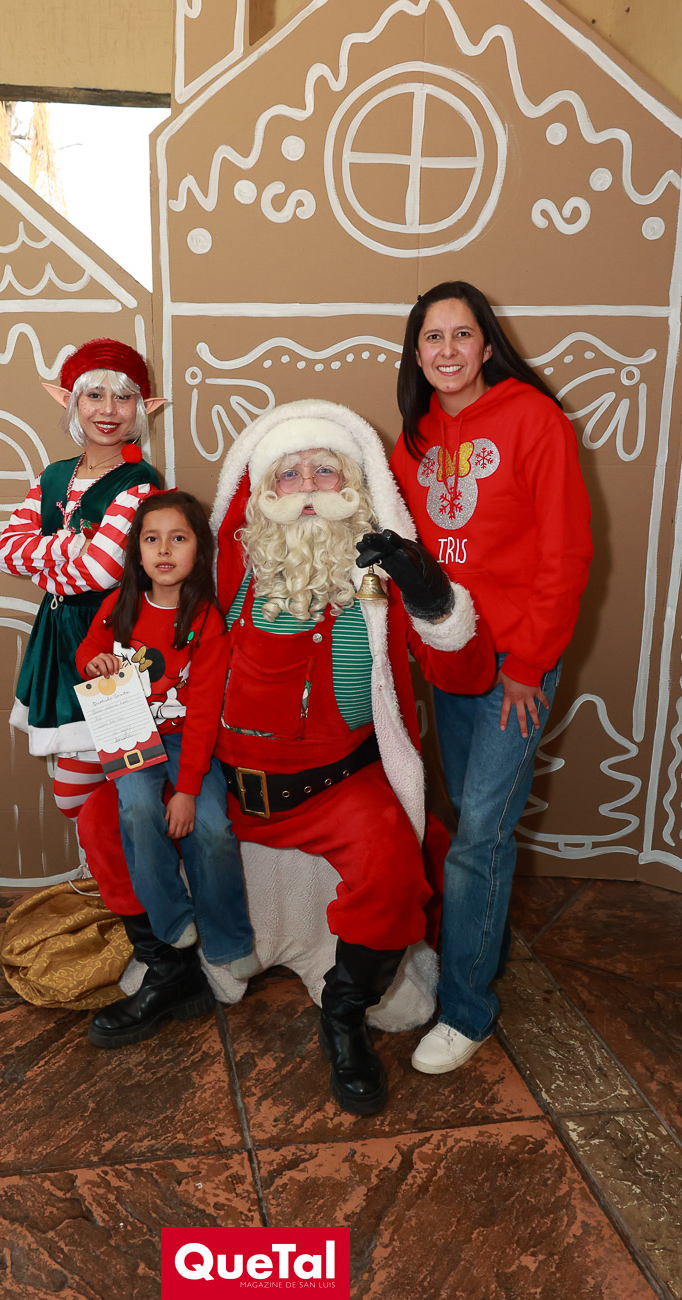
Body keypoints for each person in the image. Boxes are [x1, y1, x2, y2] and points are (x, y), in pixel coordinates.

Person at [206, 399, 495, 1115]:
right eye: (290, 473)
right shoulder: (228, 565)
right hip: (229, 787)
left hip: (338, 785)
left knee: (395, 875)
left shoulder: (381, 576)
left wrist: (430, 594)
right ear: (262, 491)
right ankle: (174, 967)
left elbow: (461, 665)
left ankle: (343, 1015)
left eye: (325, 470)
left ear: (356, 486)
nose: (307, 487)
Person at [384, 280, 593, 1075]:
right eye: (431, 337)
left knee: (479, 832)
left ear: (486, 344)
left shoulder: (534, 420)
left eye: (461, 334)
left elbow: (565, 553)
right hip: (452, 652)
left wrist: (529, 665)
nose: (447, 350)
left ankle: (465, 1008)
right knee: (464, 817)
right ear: (416, 353)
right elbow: (404, 552)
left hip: (516, 663)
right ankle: (477, 948)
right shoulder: (413, 439)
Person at [76, 491, 257, 1049]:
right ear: (136, 551)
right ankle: (173, 922)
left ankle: (229, 942)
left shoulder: (205, 620)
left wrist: (186, 789)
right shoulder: (120, 606)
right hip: (131, 734)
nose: (163, 550)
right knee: (134, 809)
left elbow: (202, 713)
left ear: (198, 550)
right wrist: (95, 661)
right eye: (151, 539)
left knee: (212, 828)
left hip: (186, 743)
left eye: (178, 538)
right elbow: (87, 652)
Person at [0, 338, 164, 821]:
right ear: (71, 401)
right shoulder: (53, 476)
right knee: (73, 793)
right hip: (56, 639)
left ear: (143, 408)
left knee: (124, 785)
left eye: (123, 397)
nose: (108, 410)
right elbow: (5, 552)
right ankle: (105, 864)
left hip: (112, 640)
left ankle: (128, 867)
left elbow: (102, 571)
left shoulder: (140, 481)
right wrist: (69, 547)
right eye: (94, 395)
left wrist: (45, 566)